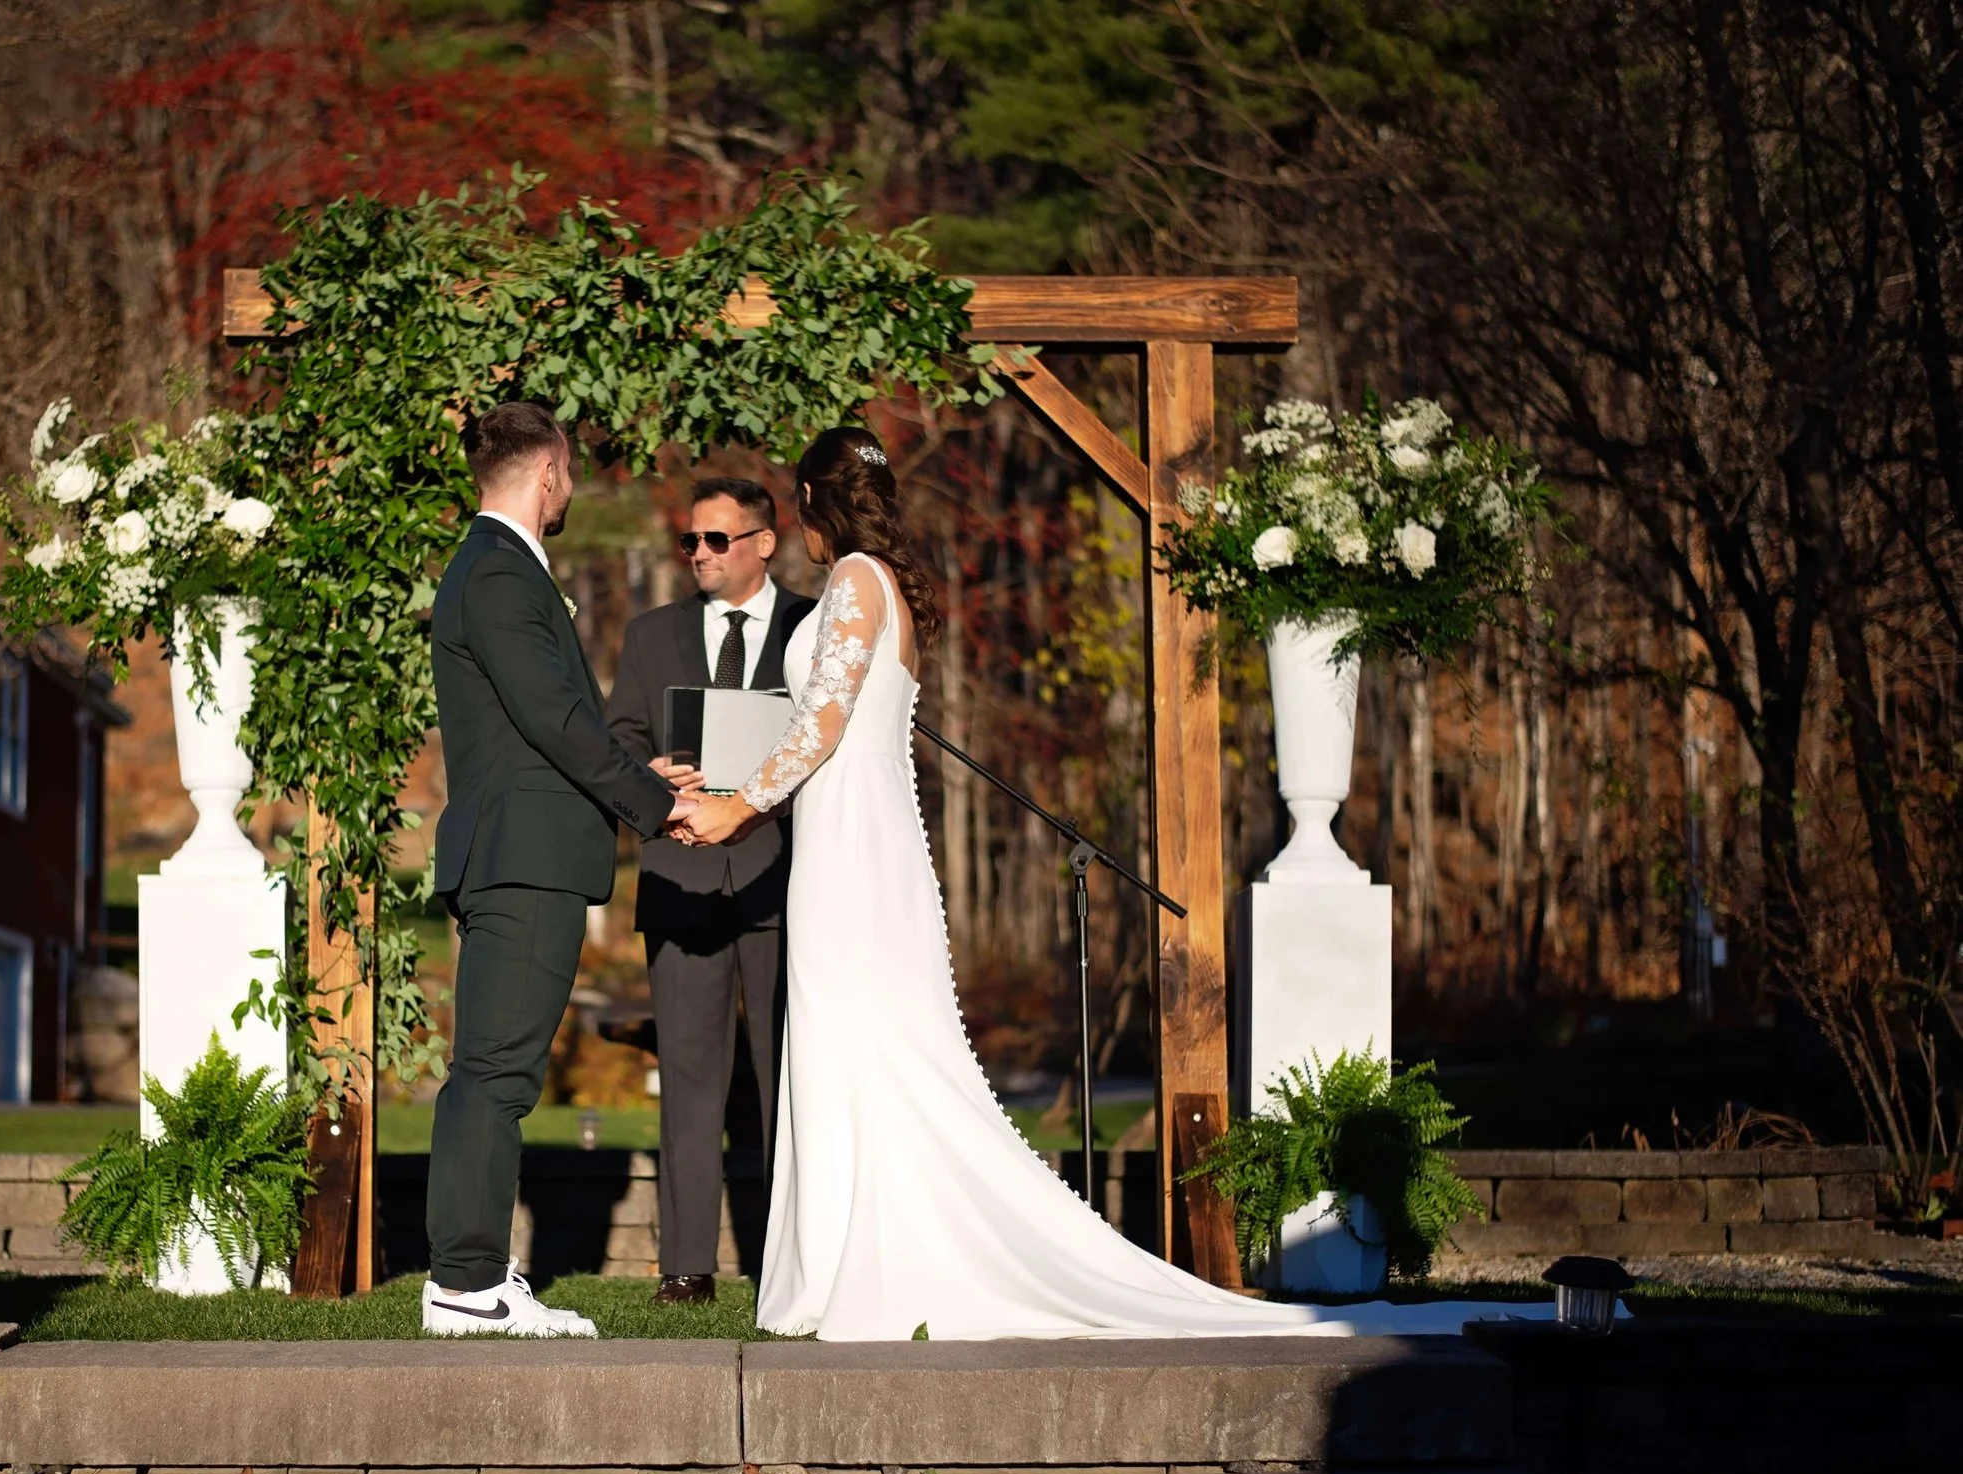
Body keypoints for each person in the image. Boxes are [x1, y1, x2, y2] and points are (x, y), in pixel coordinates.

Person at [678, 427, 1553, 1342]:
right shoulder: (882, 584)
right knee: (856, 1044)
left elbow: (822, 721)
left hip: (854, 857)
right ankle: (843, 1259)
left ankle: (861, 1266)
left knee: (864, 1042)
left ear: (815, 506)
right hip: (851, 840)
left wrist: (736, 809)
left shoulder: (857, 581)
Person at [423, 402, 695, 1337]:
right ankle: (467, 1283)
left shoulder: (494, 568)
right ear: (547, 474)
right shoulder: (498, 573)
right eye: (569, 473)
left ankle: (470, 1277)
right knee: (495, 1072)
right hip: (522, 857)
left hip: (523, 848)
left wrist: (635, 777)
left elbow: (539, 727)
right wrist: (657, 805)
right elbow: (557, 720)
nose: (571, 489)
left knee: (495, 1069)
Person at [605, 479, 816, 1304]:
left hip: (781, 877)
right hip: (681, 875)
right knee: (689, 1075)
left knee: (783, 1074)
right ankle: (686, 1267)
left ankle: (787, 1261)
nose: (698, 553)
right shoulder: (651, 634)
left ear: (766, 542)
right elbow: (618, 740)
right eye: (691, 541)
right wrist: (649, 778)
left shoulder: (812, 628)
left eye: (717, 540)